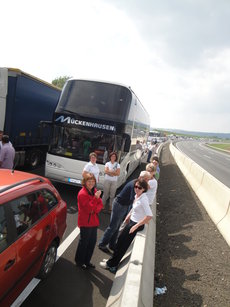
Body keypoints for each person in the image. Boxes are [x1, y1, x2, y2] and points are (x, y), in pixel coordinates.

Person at [99, 178, 153, 273]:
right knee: (120, 242)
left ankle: (112, 265)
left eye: (139, 188)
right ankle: (111, 260)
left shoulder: (144, 199)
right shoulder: (137, 195)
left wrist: (136, 226)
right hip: (131, 221)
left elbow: (149, 215)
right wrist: (128, 215)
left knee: (122, 245)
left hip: (135, 224)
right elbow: (134, 207)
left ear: (144, 189)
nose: (136, 189)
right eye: (135, 186)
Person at [75, 173, 103, 269]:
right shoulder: (82, 194)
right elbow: (89, 209)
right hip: (86, 223)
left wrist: (95, 207)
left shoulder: (94, 190)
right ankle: (79, 261)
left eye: (93, 181)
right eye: (89, 181)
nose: (91, 183)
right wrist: (95, 199)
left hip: (93, 221)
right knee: (84, 243)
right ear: (85, 182)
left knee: (92, 242)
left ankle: (87, 261)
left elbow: (100, 205)